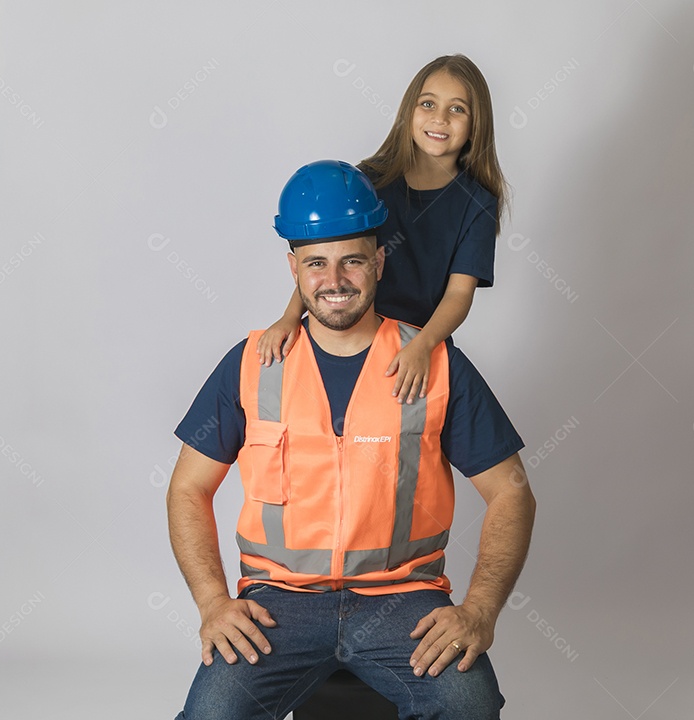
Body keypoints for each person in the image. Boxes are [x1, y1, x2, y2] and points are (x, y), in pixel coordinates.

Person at [167, 160, 534, 720]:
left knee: (469, 706)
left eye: (352, 260)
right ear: (293, 268)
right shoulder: (252, 365)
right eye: (316, 263)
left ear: (379, 261)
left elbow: (512, 492)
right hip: (278, 606)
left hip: (402, 602)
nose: (334, 280)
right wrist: (214, 603)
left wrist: (479, 611)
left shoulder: (435, 366)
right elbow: (187, 488)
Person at [258, 55, 507, 406]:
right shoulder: (368, 180)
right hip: (354, 334)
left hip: (417, 346)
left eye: (457, 109)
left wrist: (422, 346)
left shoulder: (477, 202)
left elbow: (458, 295)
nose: (439, 118)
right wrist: (289, 317)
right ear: (410, 111)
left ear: (476, 124)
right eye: (428, 104)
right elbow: (325, 261)